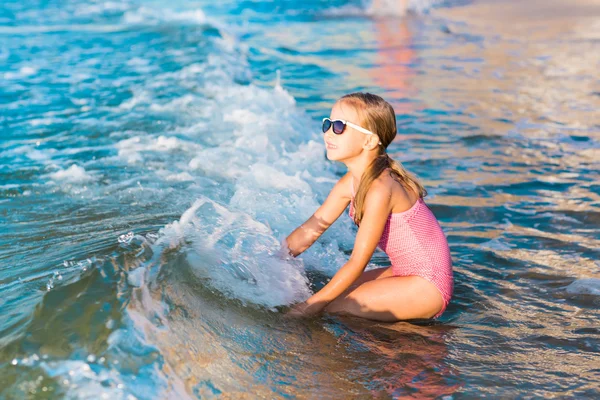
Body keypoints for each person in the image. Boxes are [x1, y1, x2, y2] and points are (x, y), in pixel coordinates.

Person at [283, 92, 453, 321]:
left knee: (328, 310)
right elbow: (310, 231)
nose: (328, 133)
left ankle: (402, 343)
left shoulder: (380, 188)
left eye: (339, 127)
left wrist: (307, 308)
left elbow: (357, 262)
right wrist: (275, 259)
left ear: (370, 141)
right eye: (327, 124)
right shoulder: (350, 182)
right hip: (404, 272)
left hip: (427, 285)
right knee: (325, 295)